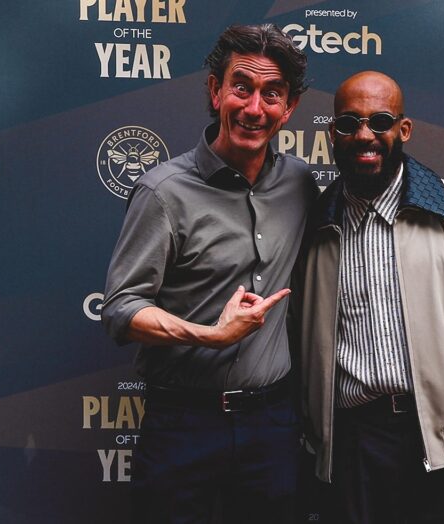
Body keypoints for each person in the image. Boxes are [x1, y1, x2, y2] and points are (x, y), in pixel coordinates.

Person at [101, 24, 317, 523]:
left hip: (272, 423)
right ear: (216, 90)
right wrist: (210, 335)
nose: (254, 108)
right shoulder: (163, 192)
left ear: (289, 108)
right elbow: (120, 309)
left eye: (272, 94)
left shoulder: (300, 181)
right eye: (242, 87)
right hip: (183, 424)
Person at [297, 71, 444, 523]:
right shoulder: (314, 225)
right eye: (348, 123)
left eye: (380, 121)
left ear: (403, 130)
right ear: (332, 133)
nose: (364, 135)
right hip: (351, 449)